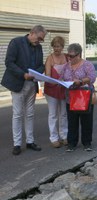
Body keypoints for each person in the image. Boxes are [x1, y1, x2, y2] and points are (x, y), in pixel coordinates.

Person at [1, 25, 47, 155]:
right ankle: (17, 144)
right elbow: (9, 63)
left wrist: (36, 74)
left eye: (42, 39)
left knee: (30, 113)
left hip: (32, 84)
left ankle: (30, 141)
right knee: (18, 114)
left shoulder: (39, 47)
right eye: (39, 38)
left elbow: (40, 65)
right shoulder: (16, 42)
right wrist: (23, 74)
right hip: (18, 82)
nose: (40, 41)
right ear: (32, 33)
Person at [60, 43, 96, 152]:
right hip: (70, 98)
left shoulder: (87, 65)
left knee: (86, 121)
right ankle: (72, 143)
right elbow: (61, 77)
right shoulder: (66, 66)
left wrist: (80, 81)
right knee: (72, 121)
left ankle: (87, 143)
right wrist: (61, 82)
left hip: (84, 97)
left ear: (78, 54)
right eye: (68, 56)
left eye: (72, 56)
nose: (69, 58)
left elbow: (92, 77)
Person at [44, 36, 68, 148]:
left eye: (58, 46)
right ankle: (54, 138)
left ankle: (64, 136)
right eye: (54, 46)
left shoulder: (67, 57)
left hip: (63, 88)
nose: (56, 48)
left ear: (62, 47)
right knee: (53, 114)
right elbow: (48, 75)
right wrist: (56, 80)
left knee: (63, 114)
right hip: (51, 88)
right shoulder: (50, 58)